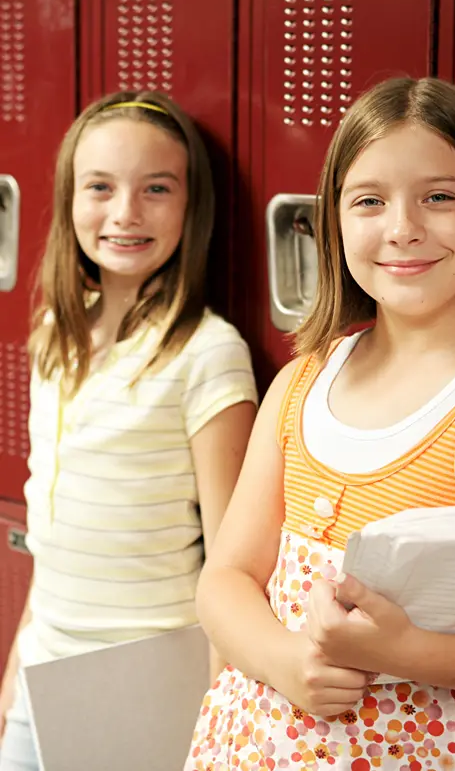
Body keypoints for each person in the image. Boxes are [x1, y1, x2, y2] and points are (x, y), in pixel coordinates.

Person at [185, 77, 455, 770]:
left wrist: (403, 652)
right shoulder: (303, 381)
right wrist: (286, 658)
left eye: (440, 197)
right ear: (333, 222)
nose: (403, 226)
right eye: (369, 201)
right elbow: (227, 575)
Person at [0, 91, 257, 770]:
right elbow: (51, 529)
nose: (124, 213)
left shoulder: (207, 351)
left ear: (189, 205)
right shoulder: (57, 331)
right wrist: (16, 661)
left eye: (156, 189)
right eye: (101, 187)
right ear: (68, 199)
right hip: (41, 667)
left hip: (146, 680)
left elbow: (237, 559)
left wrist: (226, 711)